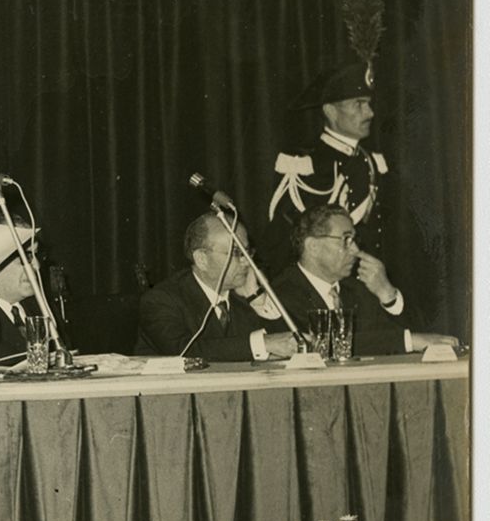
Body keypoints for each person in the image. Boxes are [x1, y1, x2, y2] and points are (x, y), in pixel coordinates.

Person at [271, 205, 456, 357]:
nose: (356, 249)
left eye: (354, 239)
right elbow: (324, 344)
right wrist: (408, 341)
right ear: (313, 247)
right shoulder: (280, 293)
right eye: (346, 240)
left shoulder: (357, 290)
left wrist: (387, 293)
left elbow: (421, 337)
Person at [268, 59, 388, 258]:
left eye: (368, 104)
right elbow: (286, 240)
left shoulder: (375, 162)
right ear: (331, 111)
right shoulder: (304, 164)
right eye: (358, 104)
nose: (370, 113)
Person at [136, 214, 297, 362]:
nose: (247, 262)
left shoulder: (242, 295)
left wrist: (257, 298)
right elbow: (183, 351)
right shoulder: (161, 299)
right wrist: (261, 344)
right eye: (236, 253)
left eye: (247, 252)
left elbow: (287, 344)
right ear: (202, 259)